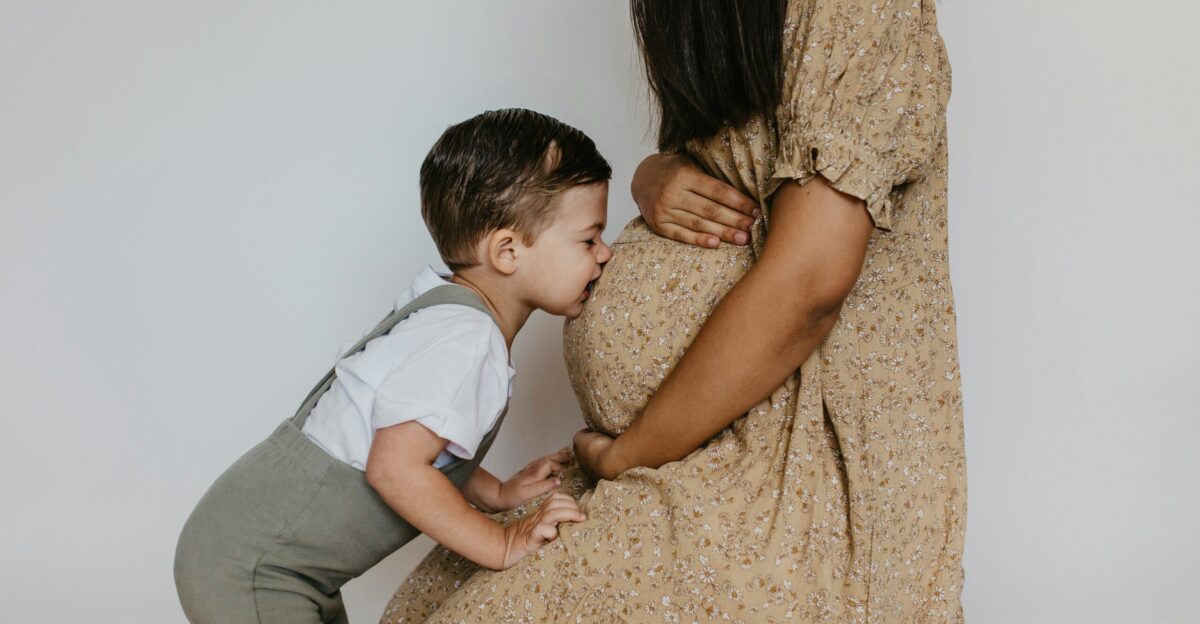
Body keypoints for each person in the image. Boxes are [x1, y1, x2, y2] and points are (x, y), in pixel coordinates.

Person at [382, 0, 964, 622]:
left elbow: (810, 284)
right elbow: (733, 163)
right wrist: (653, 173)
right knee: (433, 600)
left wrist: (627, 455)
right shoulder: (721, 18)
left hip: (791, 461)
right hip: (682, 445)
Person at [173, 108, 614, 624]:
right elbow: (395, 467)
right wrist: (500, 543)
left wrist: (495, 492)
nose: (605, 254)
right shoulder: (468, 340)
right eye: (589, 239)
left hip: (266, 554)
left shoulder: (445, 313)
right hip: (255, 566)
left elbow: (417, 441)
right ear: (508, 250)